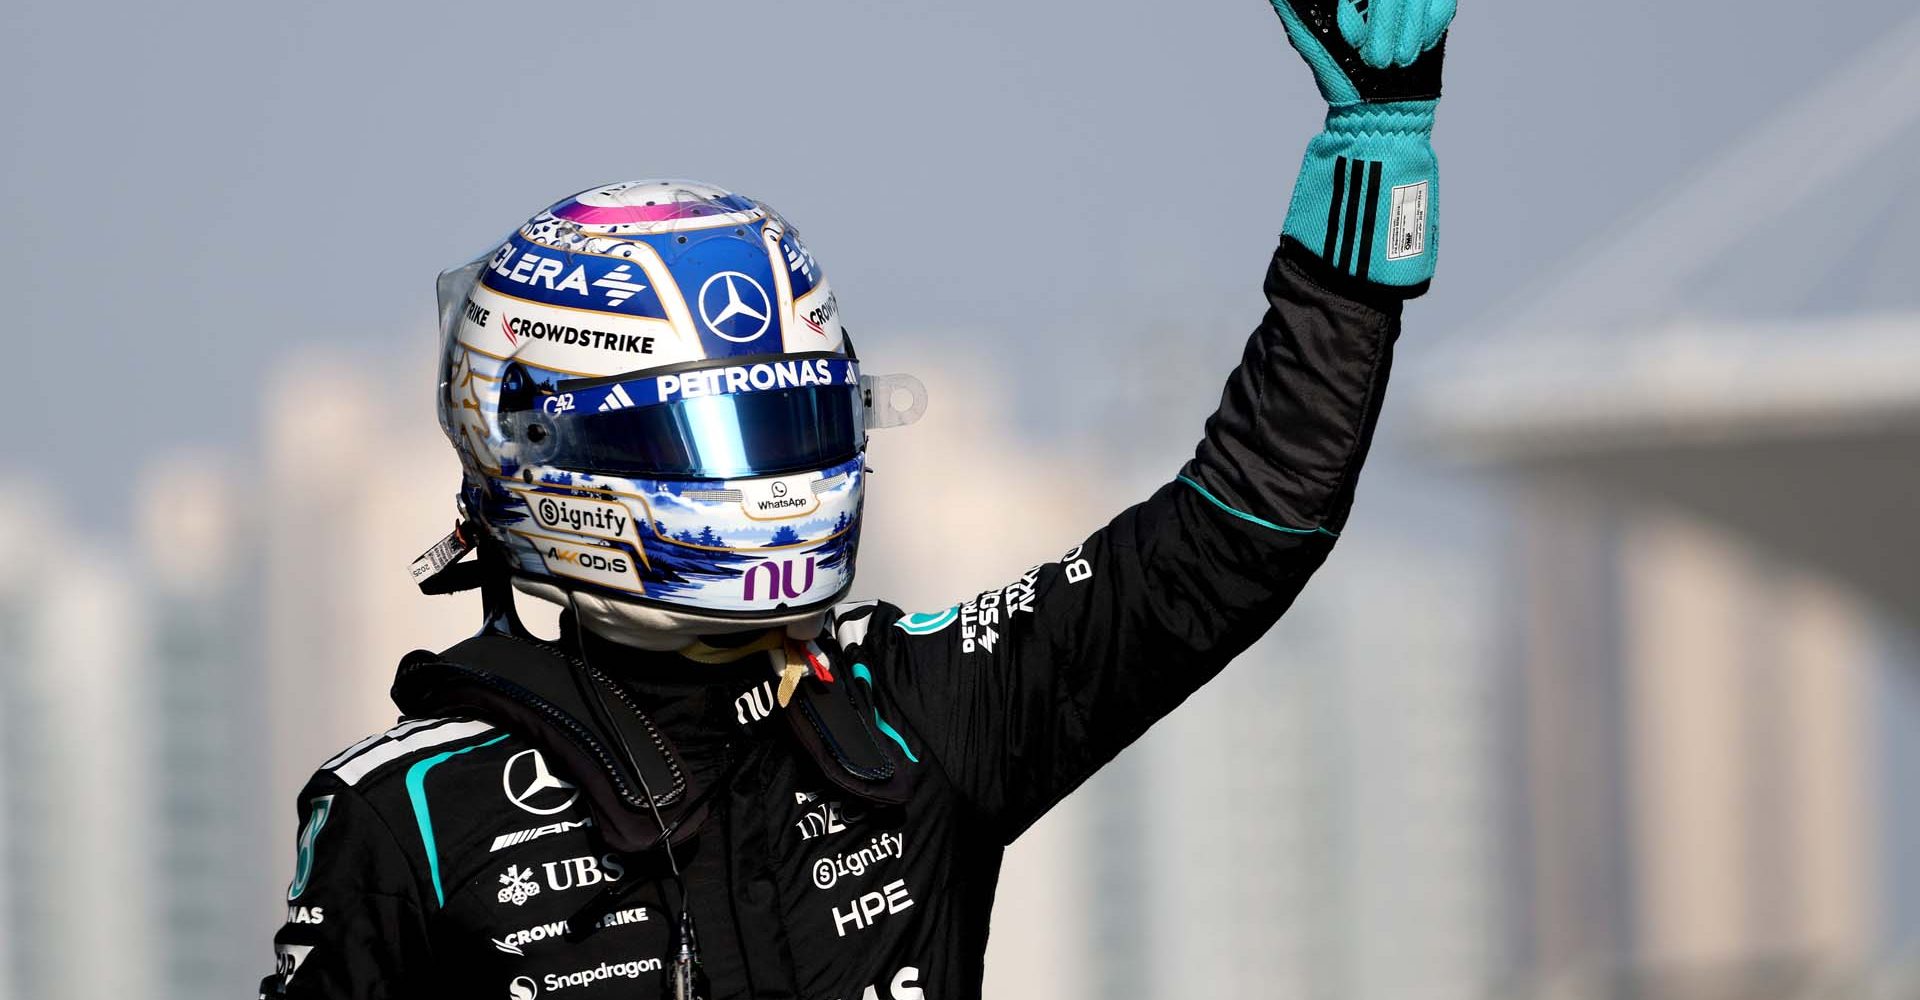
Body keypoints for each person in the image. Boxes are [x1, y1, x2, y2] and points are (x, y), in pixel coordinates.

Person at [260, 0, 1455, 996]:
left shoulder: (913, 713)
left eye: (795, 420)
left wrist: (1373, 151)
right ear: (544, 452)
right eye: (718, 434)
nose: (773, 479)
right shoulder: (407, 817)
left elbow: (1237, 531)